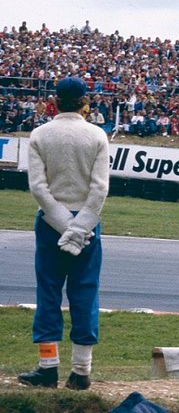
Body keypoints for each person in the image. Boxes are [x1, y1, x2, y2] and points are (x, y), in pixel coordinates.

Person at [19, 77, 109, 390]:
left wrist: (61, 224)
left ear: (54, 103)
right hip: (87, 226)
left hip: (49, 224)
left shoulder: (40, 134)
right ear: (85, 103)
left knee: (48, 292)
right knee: (85, 294)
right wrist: (79, 228)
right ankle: (81, 372)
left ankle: (47, 367)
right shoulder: (97, 134)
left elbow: (38, 187)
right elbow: (100, 189)